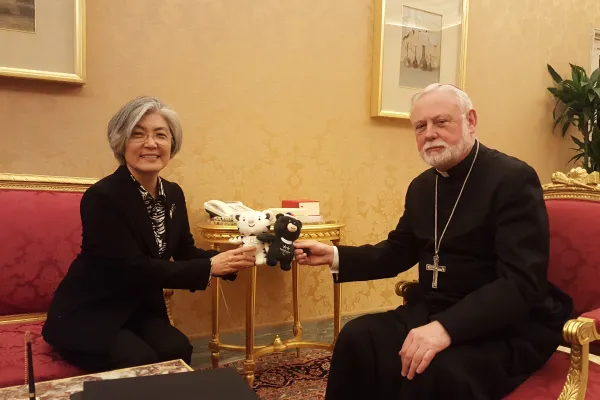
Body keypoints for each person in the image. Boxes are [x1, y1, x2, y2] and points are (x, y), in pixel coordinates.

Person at [294, 84, 574, 399]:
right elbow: (398, 252)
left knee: (436, 372)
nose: (429, 133)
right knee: (358, 338)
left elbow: (521, 283)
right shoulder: (422, 187)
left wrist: (446, 329)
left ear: (470, 120)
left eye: (441, 122)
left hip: (505, 323)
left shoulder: (513, 179)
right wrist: (333, 255)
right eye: (420, 126)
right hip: (435, 308)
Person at [42, 96, 256, 372]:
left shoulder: (173, 193)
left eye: (160, 135)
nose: (151, 144)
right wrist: (207, 268)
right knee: (136, 359)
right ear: (122, 142)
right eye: (138, 134)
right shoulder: (102, 197)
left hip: (139, 308)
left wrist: (229, 260)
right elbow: (130, 268)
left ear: (172, 144)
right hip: (91, 311)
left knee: (177, 350)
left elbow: (184, 251)